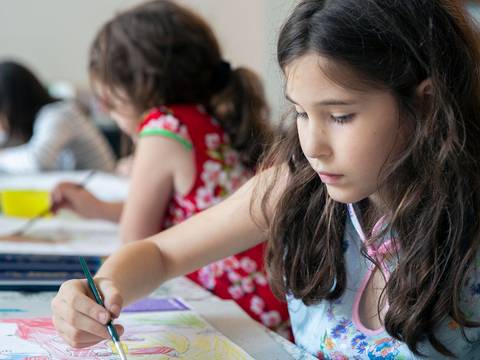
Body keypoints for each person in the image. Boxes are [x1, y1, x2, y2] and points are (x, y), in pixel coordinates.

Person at [51, 0, 480, 357]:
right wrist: (102, 290)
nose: (313, 145)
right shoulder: (298, 187)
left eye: (341, 116)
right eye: (301, 113)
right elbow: (160, 253)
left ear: (425, 103)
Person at [51, 0, 289, 334]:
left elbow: (134, 240)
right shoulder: (210, 116)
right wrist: (99, 208)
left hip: (236, 309)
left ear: (137, 85)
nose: (106, 109)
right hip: (270, 298)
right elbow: (186, 215)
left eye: (108, 98)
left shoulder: (164, 125)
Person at [0, 60, 115, 173]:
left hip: (100, 186)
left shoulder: (58, 114)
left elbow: (39, 161)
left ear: (12, 106)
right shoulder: (41, 120)